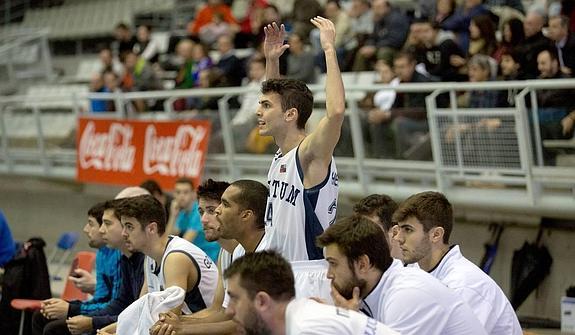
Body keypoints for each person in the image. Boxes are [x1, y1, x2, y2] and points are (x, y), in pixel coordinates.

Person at [317, 215, 487, 335]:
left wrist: (349, 324)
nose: (329, 275)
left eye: (333, 263)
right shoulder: (383, 289)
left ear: (363, 264)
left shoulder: (406, 294)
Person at [261, 17, 344, 261]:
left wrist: (329, 49)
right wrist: (272, 61)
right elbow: (277, 97)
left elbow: (336, 112)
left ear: (291, 115)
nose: (259, 112)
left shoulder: (309, 153)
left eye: (265, 106)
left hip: (309, 272)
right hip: (284, 271)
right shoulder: (282, 152)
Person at [149, 179, 269, 335]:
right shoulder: (232, 252)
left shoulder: (268, 255)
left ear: (246, 215)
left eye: (221, 206)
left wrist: (183, 327)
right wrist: (178, 322)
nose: (204, 219)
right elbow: (222, 311)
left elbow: (250, 323)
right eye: (200, 212)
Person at [393, 191, 522, 335]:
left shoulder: (465, 285)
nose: (398, 238)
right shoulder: (414, 270)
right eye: (398, 229)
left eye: (408, 230)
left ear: (436, 235)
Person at [224, 250, 401, 335]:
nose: (229, 310)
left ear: (262, 301)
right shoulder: (301, 313)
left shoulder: (307, 328)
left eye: (234, 298)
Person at [32, 202, 122, 335]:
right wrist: (68, 306)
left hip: (114, 318)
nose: (86, 229)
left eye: (91, 224)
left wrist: (72, 309)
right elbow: (101, 298)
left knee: (53, 329)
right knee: (41, 315)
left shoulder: (120, 256)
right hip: (107, 312)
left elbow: (117, 306)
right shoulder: (102, 254)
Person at [168, 178, 220, 263]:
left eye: (185, 192)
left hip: (210, 257)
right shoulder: (181, 213)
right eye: (178, 192)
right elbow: (168, 238)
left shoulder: (198, 211)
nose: (181, 196)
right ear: (174, 194)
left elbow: (185, 242)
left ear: (193, 194)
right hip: (195, 256)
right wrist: (173, 215)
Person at [352, 194, 401, 259]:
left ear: (395, 233)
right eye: (358, 232)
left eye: (370, 232)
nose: (362, 240)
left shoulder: (416, 268)